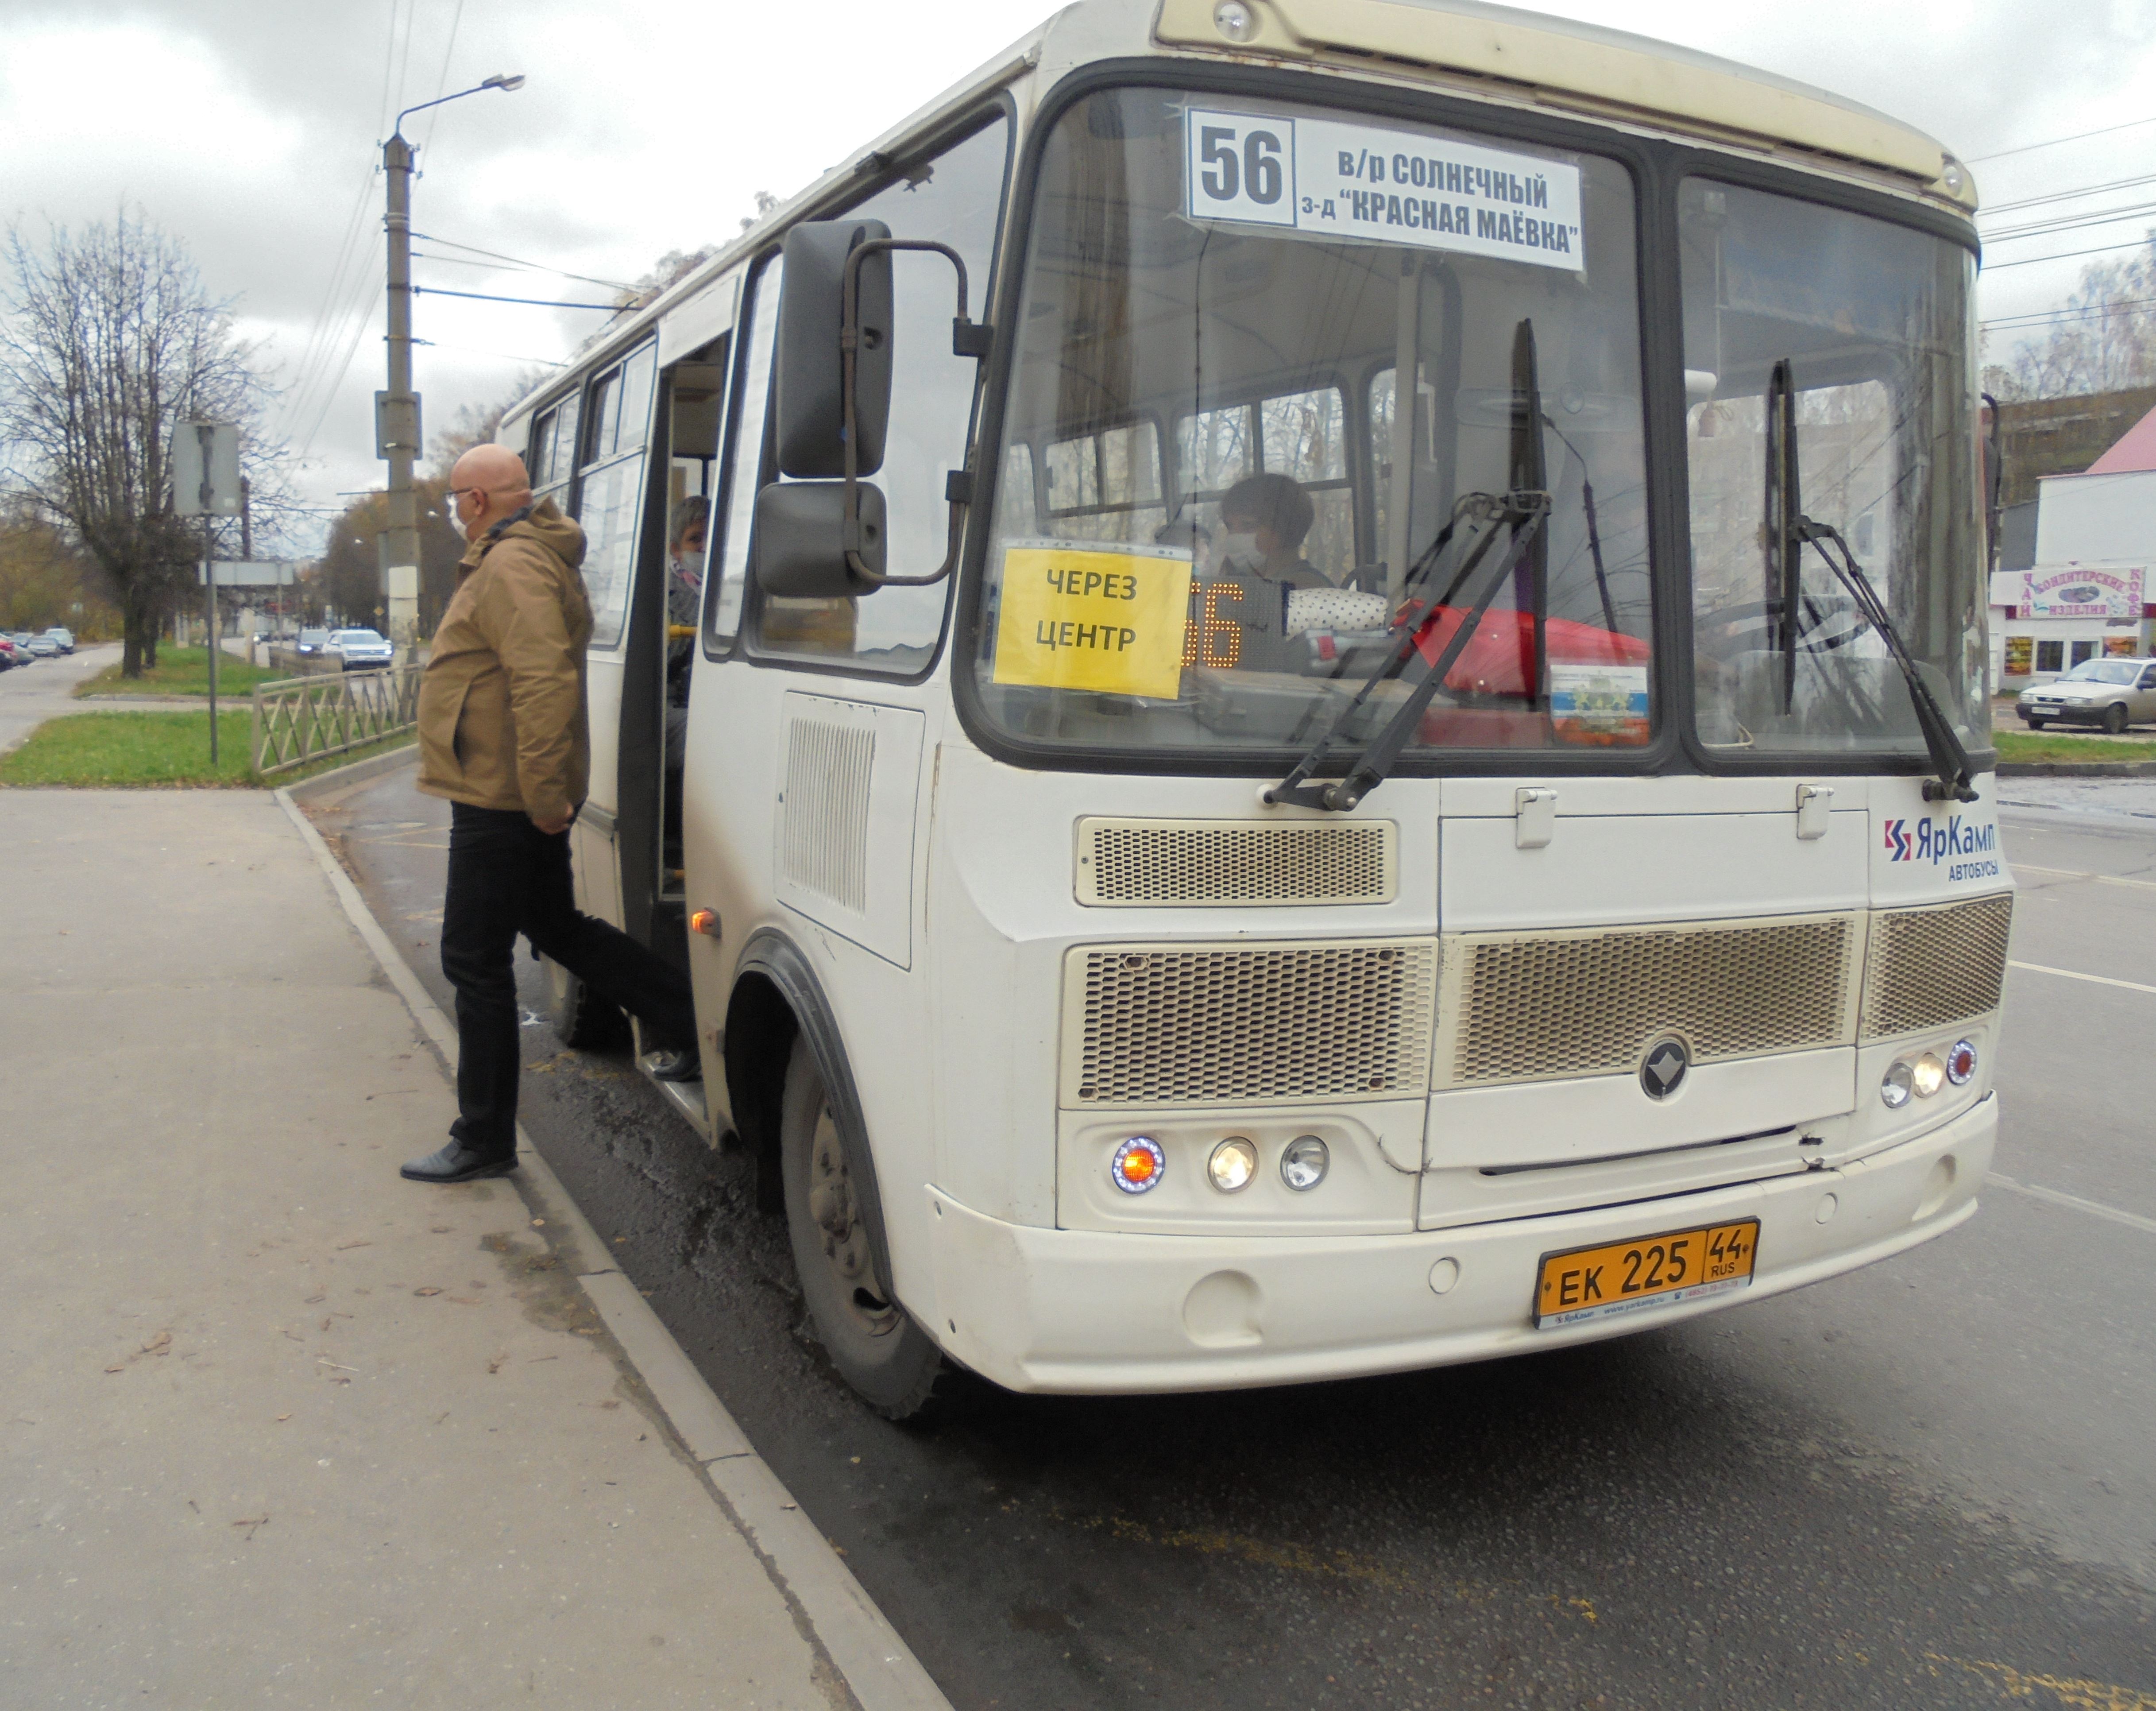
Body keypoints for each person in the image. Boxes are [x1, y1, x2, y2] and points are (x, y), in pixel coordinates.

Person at [400, 443, 701, 1186]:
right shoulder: (522, 555)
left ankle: (484, 1135)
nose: (452, 511)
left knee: (473, 959)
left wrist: (540, 796)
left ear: (475, 501)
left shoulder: (511, 564)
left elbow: (542, 682)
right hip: (508, 791)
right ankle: (697, 1019)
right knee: (559, 928)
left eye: (453, 498)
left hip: (504, 798)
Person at [1210, 472, 1332, 590]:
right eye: (1229, 526)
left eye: (1248, 525)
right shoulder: (1249, 583)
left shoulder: (1305, 587)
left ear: (1285, 528)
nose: (1234, 536)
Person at [664, 496, 707, 775]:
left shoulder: (738, 585)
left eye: (713, 534)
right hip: (674, 699)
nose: (705, 546)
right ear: (676, 551)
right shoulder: (661, 593)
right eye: (696, 539)